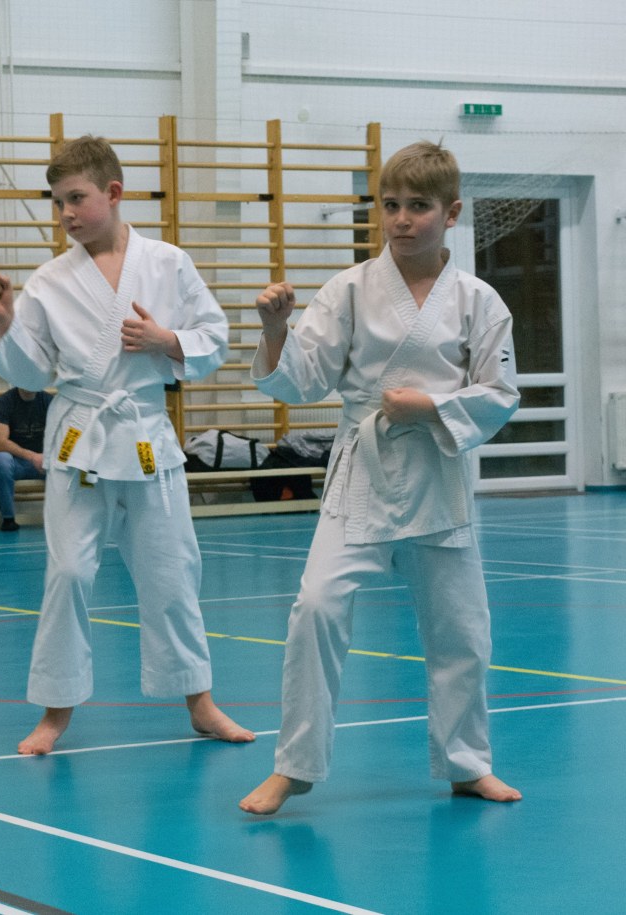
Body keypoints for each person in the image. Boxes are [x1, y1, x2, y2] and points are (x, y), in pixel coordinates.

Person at [238, 141, 523, 815]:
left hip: (437, 472)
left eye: (418, 206)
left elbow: (501, 392)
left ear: (451, 213)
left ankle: (467, 764)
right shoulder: (349, 290)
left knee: (461, 629)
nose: (401, 219)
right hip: (363, 470)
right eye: (389, 205)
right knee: (316, 606)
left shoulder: (479, 301)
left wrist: (432, 407)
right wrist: (276, 331)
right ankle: (295, 766)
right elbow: (303, 379)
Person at [0, 136, 255, 755]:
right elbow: (30, 374)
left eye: (76, 198)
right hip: (80, 435)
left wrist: (167, 340)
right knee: (69, 572)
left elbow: (215, 337)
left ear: (114, 192)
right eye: (57, 202)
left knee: (172, 570)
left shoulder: (168, 262)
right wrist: (5, 321)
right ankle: (55, 711)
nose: (66, 213)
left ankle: (201, 702)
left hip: (146, 432)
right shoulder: (49, 280)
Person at [0, 387, 52, 531]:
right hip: (17, 462)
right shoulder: (4, 402)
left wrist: (48, 457)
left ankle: (62, 517)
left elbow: (60, 435)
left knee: (64, 462)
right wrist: (33, 456)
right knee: (1, 460)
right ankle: (8, 519)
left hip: (44, 461)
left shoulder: (49, 401)